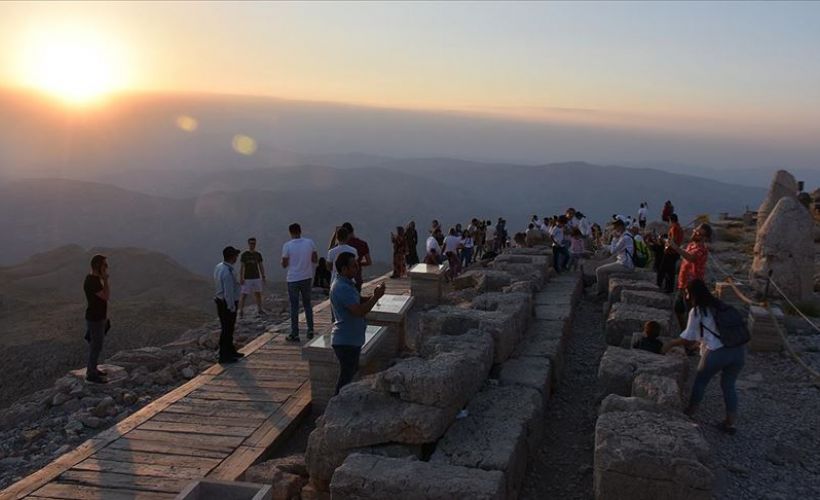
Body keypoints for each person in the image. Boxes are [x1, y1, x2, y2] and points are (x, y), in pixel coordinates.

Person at [663, 279, 745, 435]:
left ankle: (689, 413)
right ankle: (730, 423)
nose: (686, 296)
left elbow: (688, 338)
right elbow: (710, 332)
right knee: (729, 385)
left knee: (701, 381)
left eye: (687, 293)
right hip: (738, 351)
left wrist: (670, 344)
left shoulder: (698, 310)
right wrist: (699, 345)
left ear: (692, 294)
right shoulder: (720, 306)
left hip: (718, 353)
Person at [330, 252, 386, 394]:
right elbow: (358, 311)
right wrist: (376, 297)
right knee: (346, 379)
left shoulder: (346, 284)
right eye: (353, 266)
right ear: (343, 269)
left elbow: (356, 300)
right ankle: (337, 407)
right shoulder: (341, 287)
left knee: (349, 374)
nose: (357, 269)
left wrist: (372, 295)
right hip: (346, 341)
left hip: (351, 339)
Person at [666, 223, 712, 330]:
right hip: (682, 284)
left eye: (699, 233)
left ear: (704, 238)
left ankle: (691, 336)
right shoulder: (691, 245)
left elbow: (691, 258)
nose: (695, 233)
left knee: (691, 313)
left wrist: (675, 247)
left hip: (693, 286)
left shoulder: (702, 250)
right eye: (696, 230)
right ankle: (684, 331)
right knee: (678, 308)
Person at [281, 223, 318, 341]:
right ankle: (310, 329)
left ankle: (295, 333)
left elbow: (284, 264)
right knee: (307, 304)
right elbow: (315, 259)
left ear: (290, 232)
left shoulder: (287, 246)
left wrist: (283, 262)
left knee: (294, 306)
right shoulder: (309, 242)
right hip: (306, 276)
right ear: (300, 231)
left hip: (293, 278)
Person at [214, 246, 244, 364]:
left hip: (220, 301)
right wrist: (231, 306)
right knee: (227, 329)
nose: (237, 257)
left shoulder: (219, 267)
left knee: (228, 328)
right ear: (232, 257)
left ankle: (231, 350)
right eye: (235, 255)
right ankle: (224, 355)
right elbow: (228, 292)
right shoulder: (227, 272)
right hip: (226, 303)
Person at [84, 254, 111, 383]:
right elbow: (106, 296)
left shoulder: (93, 280)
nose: (107, 267)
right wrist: (105, 280)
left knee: (96, 345)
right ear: (98, 266)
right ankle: (91, 374)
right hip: (95, 318)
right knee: (96, 346)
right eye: (105, 265)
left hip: (97, 317)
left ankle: (93, 369)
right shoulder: (93, 281)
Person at [595, 219, 634, 295]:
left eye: (615, 227)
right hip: (624, 262)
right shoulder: (626, 235)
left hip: (624, 265)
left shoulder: (624, 238)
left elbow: (613, 251)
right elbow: (616, 247)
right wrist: (603, 246)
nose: (614, 229)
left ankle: (601, 292)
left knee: (599, 270)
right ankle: (605, 291)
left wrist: (614, 238)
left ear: (620, 227)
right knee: (603, 270)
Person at [238, 237, 266, 318]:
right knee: (244, 295)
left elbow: (261, 266)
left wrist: (263, 275)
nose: (252, 245)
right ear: (248, 244)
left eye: (253, 243)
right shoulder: (244, 255)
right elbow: (242, 267)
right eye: (251, 243)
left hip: (256, 277)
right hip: (247, 278)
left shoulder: (258, 255)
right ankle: (241, 311)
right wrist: (241, 277)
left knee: (258, 294)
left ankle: (260, 309)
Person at [342, 222, 371, 292]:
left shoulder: (342, 245)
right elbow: (369, 262)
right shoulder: (363, 244)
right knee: (356, 300)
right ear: (353, 230)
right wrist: (358, 263)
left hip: (343, 279)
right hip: (357, 277)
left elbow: (330, 252)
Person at [659, 214, 684, 293]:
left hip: (670, 253)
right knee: (670, 271)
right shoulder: (679, 228)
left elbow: (671, 242)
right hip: (675, 253)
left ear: (671, 220)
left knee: (664, 270)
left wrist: (663, 240)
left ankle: (663, 287)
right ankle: (669, 288)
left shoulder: (674, 229)